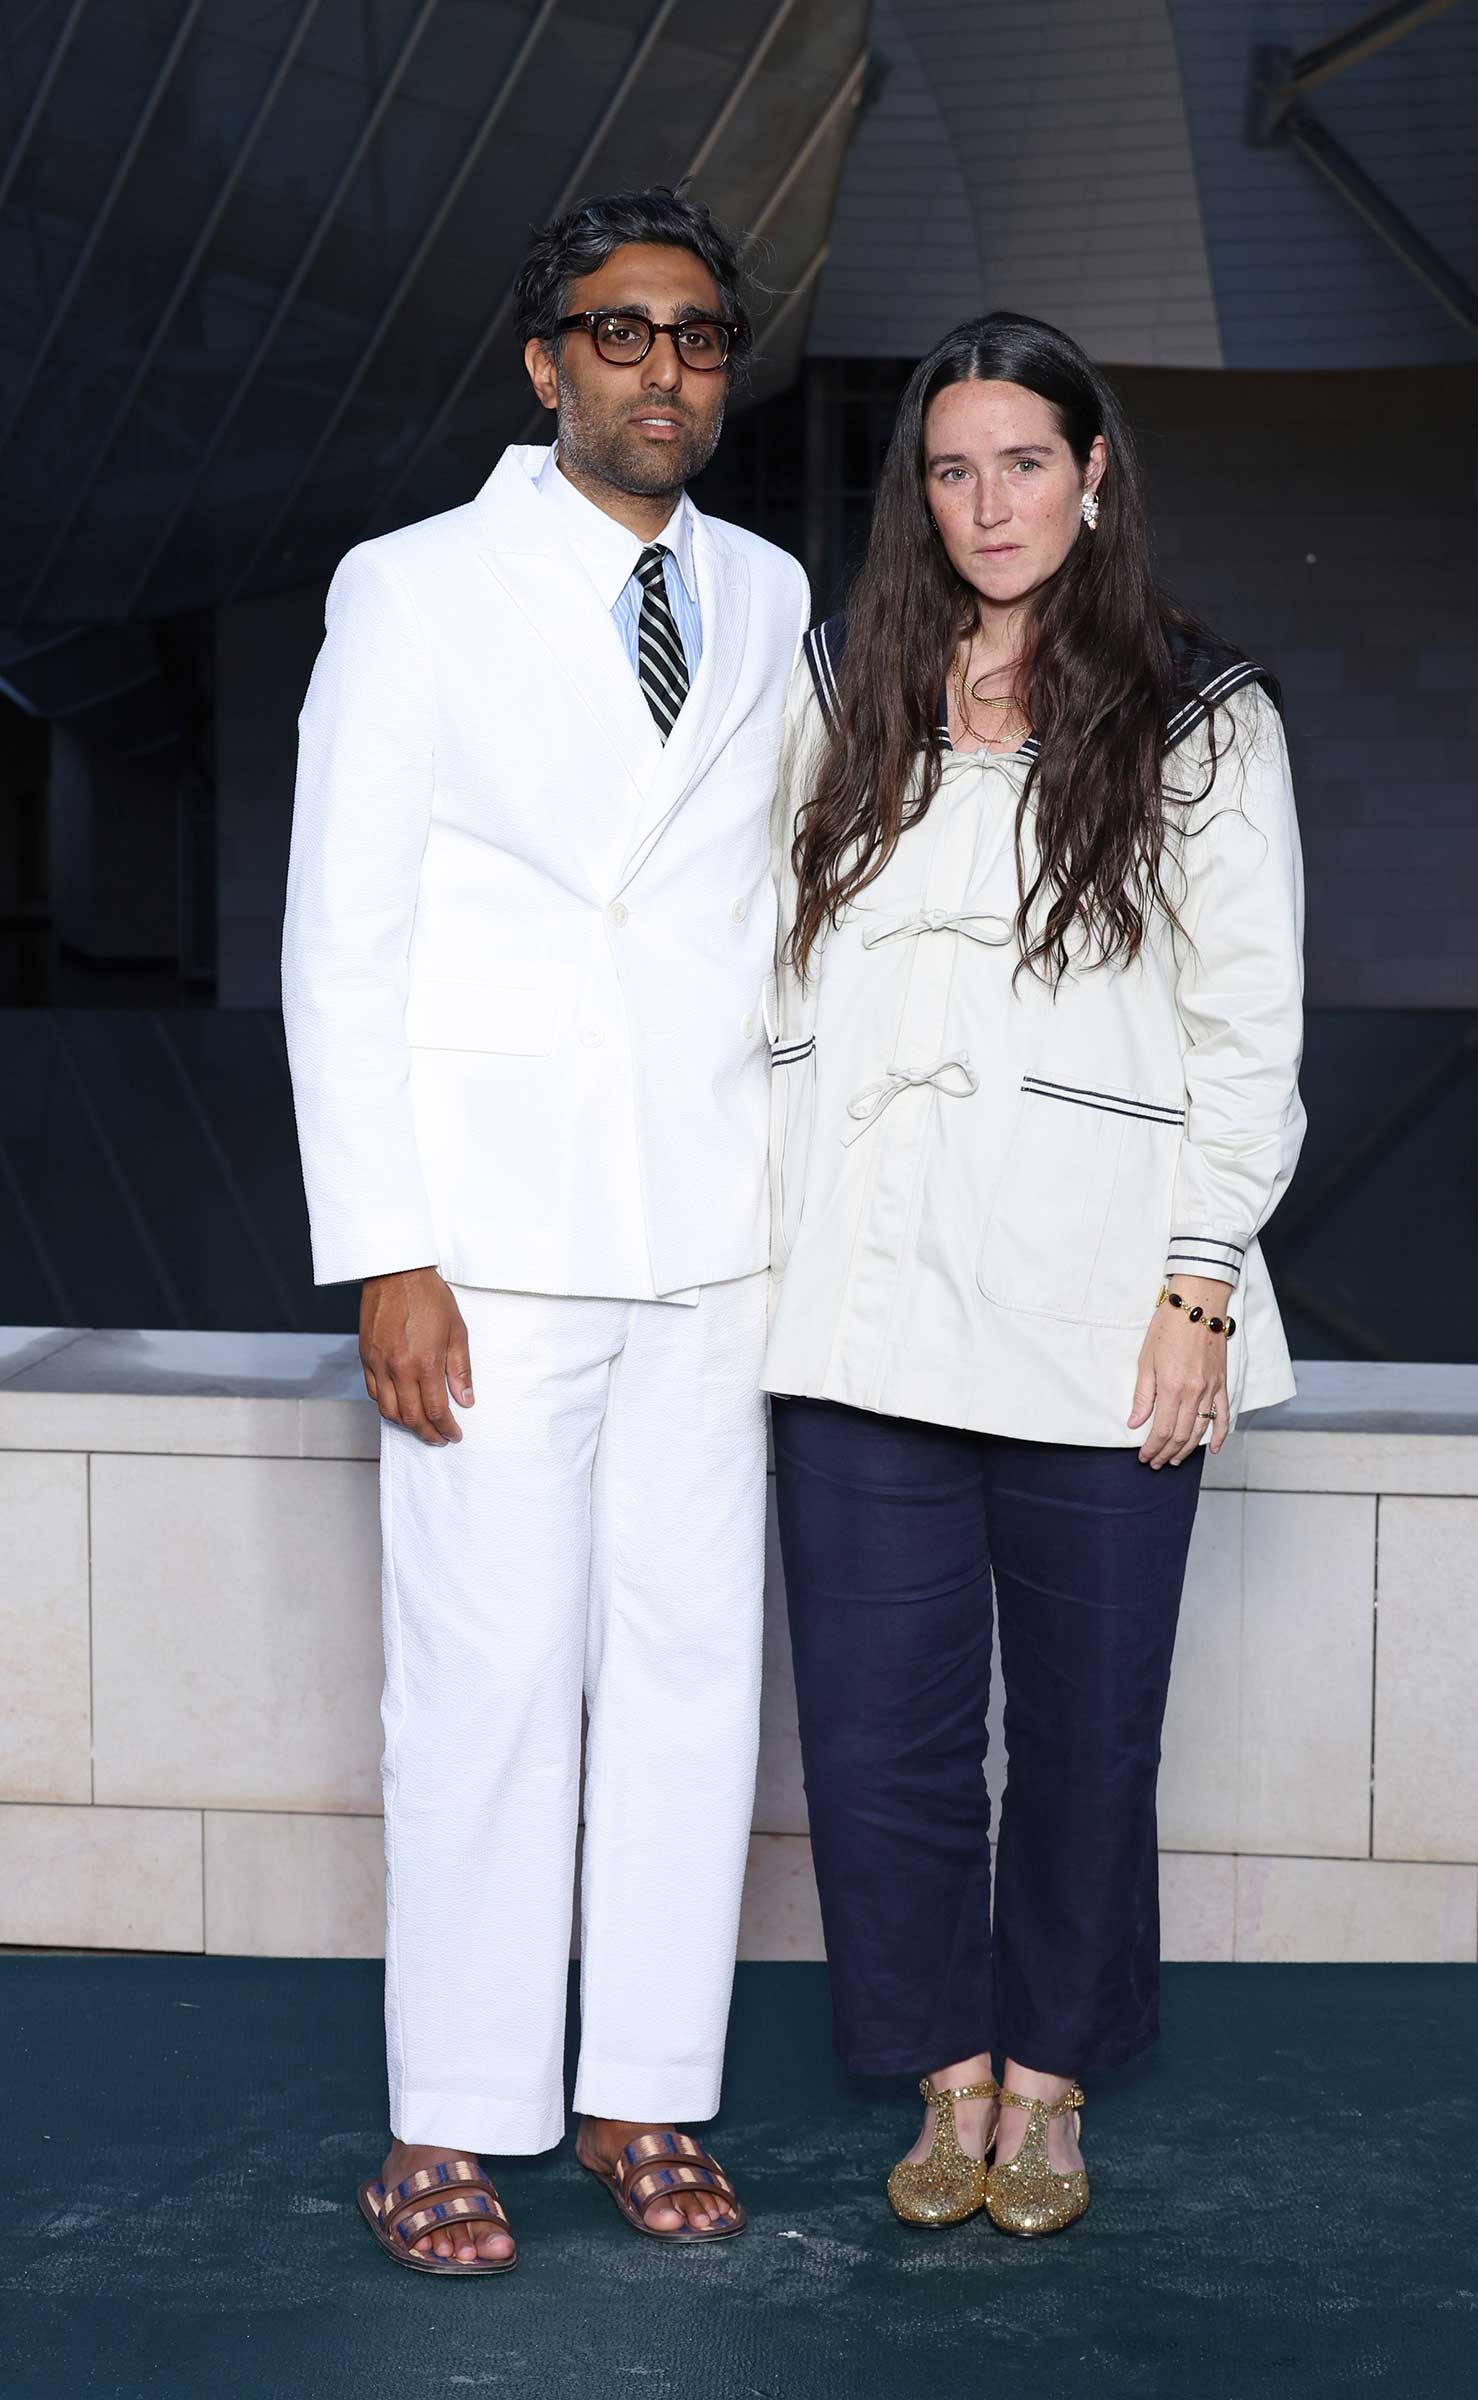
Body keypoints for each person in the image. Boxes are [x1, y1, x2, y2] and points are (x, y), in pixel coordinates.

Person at [282, 187, 808, 2273]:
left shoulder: (767, 591)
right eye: (619, 331)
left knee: (691, 1683)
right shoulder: (411, 588)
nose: (662, 368)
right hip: (487, 1243)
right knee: (488, 1684)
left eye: (696, 335)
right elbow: (344, 938)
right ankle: (450, 2120)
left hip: (716, 1229)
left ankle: (641, 2094)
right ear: (543, 361)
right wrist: (385, 1247)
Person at [763, 313, 1305, 2238]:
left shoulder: (1202, 708)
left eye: (1022, 462)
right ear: (919, 492)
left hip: (1105, 1297)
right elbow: (765, 966)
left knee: (1087, 1728)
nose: (987, 503)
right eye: (951, 468)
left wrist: (1200, 1284)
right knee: (875, 1733)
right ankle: (947, 2075)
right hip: (861, 1291)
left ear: (1092, 473)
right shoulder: (845, 678)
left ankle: (1052, 2083)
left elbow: (1251, 1024)